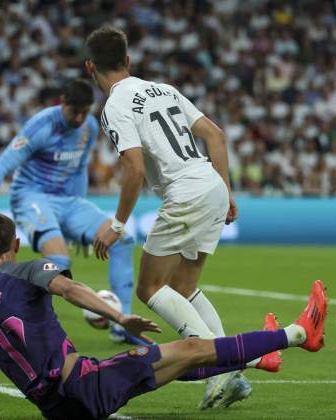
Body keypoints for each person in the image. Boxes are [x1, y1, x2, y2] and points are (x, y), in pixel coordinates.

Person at [0, 212, 328, 420]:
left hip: (57, 409)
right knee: (191, 348)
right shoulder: (27, 269)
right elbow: (70, 290)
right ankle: (298, 333)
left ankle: (260, 357)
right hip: (83, 384)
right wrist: (119, 317)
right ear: (17, 244)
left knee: (174, 362)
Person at [84, 26, 250, 408]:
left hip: (184, 193)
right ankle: (231, 373)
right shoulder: (163, 89)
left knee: (149, 289)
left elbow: (134, 169)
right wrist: (225, 190)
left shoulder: (114, 106)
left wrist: (117, 225)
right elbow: (216, 135)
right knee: (181, 287)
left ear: (90, 66)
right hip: (209, 182)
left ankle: (218, 367)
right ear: (127, 61)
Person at [0, 79, 144, 345]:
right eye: (73, 111)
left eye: (84, 111)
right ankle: (19, 323)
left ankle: (122, 324)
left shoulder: (88, 126)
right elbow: (1, 167)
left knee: (122, 240)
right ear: (62, 103)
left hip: (68, 200)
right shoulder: (41, 126)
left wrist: (77, 223)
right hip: (32, 197)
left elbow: (78, 169)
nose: (78, 118)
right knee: (58, 260)